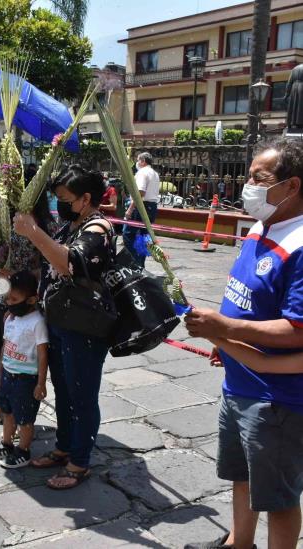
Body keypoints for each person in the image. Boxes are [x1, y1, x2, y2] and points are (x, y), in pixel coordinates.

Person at [185, 139, 303, 549]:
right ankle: (240, 544)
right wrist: (225, 336)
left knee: (279, 497)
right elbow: (246, 294)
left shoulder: (301, 243)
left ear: (292, 186)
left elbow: (297, 330)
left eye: (259, 178)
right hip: (238, 381)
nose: (248, 185)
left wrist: (226, 329)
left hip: (277, 398)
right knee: (242, 476)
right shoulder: (259, 227)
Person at [13, 165, 113, 490]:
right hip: (60, 322)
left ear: (86, 199)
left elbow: (68, 263)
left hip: (83, 328)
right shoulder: (72, 224)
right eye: (56, 198)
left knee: (82, 396)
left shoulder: (98, 229)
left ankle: (79, 462)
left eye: (64, 199)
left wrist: (34, 233)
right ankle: (64, 446)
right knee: (65, 392)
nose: (59, 204)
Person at [0, 159, 58, 429]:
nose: (7, 191)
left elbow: (52, 264)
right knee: (1, 357)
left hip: (26, 307)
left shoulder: (43, 226)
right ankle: (0, 409)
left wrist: (21, 282)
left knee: (24, 363)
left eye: (14, 186)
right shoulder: (3, 217)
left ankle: (22, 416)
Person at [0, 270, 48, 469]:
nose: (9, 302)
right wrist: (0, 374)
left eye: (14, 299)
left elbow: (43, 354)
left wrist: (41, 383)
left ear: (31, 299)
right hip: (8, 375)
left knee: (25, 419)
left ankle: (24, 450)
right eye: (7, 298)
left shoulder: (37, 322)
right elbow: (4, 346)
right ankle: (7, 444)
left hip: (26, 379)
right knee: (8, 413)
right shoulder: (9, 318)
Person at [123, 152, 160, 267]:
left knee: (128, 234)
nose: (137, 163)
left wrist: (130, 209)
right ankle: (140, 264)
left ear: (143, 161)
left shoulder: (142, 173)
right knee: (144, 237)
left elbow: (140, 192)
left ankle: (135, 263)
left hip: (140, 207)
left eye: (138, 160)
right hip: (151, 207)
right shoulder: (154, 173)